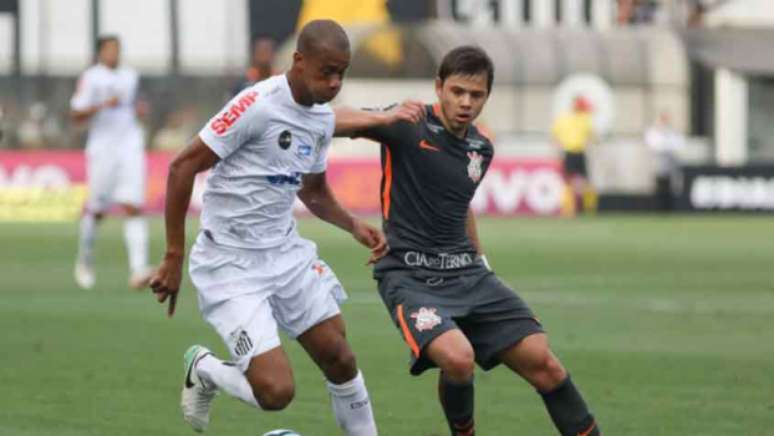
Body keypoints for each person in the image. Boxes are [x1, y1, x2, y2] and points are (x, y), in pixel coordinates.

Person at [149, 20, 419, 435]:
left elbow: (312, 191)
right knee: (275, 392)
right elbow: (182, 165)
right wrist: (172, 255)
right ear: (298, 60)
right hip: (231, 263)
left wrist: (353, 226)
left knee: (340, 357)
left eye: (341, 73)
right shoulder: (256, 104)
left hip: (284, 253)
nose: (334, 83)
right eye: (325, 71)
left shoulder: (316, 118)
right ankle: (204, 368)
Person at [335, 46, 600, 436]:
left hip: (468, 274)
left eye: (476, 95)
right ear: (439, 87)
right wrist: (383, 115)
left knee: (546, 364)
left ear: (486, 97)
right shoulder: (407, 122)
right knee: (459, 358)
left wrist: (482, 262)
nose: (465, 102)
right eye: (457, 91)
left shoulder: (480, 148)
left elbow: (461, 203)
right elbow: (331, 119)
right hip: (409, 276)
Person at [70, 35, 152, 290]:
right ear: (100, 53)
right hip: (102, 147)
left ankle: (139, 270)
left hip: (130, 145)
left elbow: (136, 103)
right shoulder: (91, 77)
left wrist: (139, 109)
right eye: (109, 49)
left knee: (133, 205)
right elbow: (76, 114)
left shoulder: (130, 75)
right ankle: (84, 259)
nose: (114, 53)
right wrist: (102, 105)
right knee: (97, 209)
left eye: (117, 49)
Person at [552, 95, 597, 215]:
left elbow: (591, 136)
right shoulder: (565, 119)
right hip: (570, 152)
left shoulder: (584, 118)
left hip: (579, 152)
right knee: (568, 182)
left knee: (585, 182)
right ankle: (568, 209)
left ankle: (588, 208)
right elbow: (555, 137)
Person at [645, 111, 685, 211]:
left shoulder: (672, 132)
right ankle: (658, 209)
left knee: (670, 187)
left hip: (671, 164)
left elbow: (678, 144)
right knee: (659, 187)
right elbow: (656, 146)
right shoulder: (654, 131)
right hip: (658, 164)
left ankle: (669, 209)